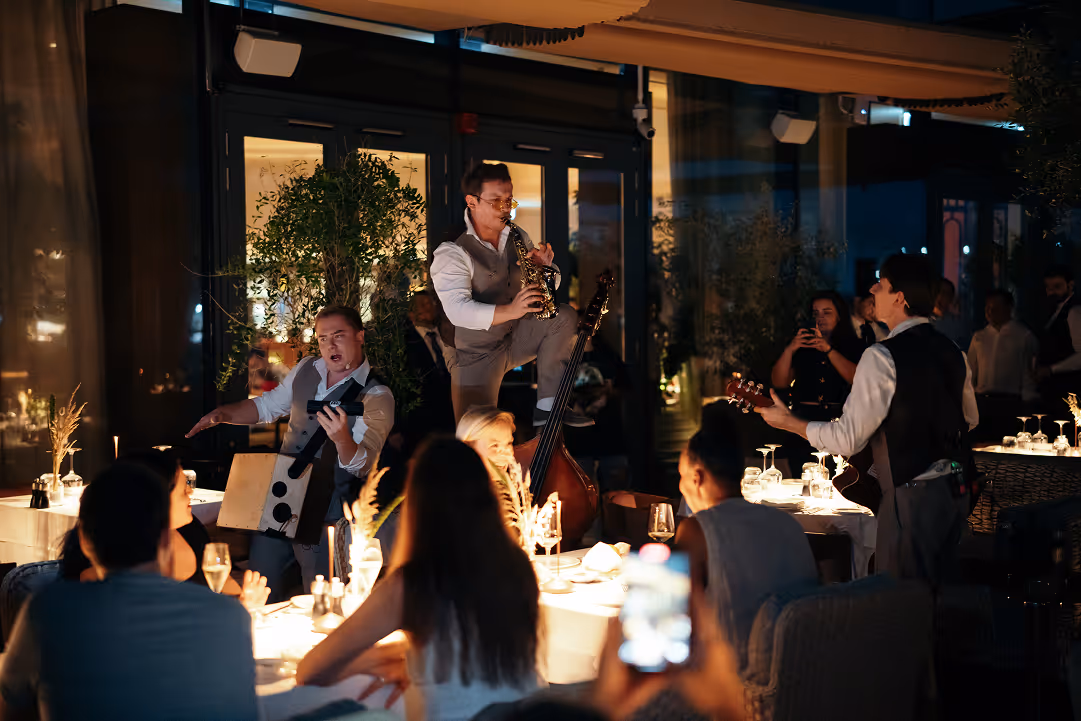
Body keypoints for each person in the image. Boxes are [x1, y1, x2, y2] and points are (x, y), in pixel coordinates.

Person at [758, 254, 978, 585]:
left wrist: (788, 422)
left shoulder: (881, 355)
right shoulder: (953, 350)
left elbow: (847, 440)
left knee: (901, 603)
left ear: (900, 298)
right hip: (956, 492)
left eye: (882, 284)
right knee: (940, 598)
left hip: (910, 496)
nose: (873, 289)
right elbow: (969, 420)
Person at [296, 437, 543, 720]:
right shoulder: (518, 566)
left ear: (418, 502)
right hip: (527, 711)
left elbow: (309, 670)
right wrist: (409, 655)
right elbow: (469, 639)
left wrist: (373, 660)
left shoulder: (413, 584)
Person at [0, 463, 258, 721]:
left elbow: (12, 709)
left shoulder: (49, 610)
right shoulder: (231, 616)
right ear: (167, 539)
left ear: (83, 538)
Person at [187, 305, 394, 602]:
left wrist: (343, 439)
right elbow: (267, 406)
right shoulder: (307, 368)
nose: (330, 345)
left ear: (360, 336)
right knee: (260, 585)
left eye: (339, 336)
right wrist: (222, 414)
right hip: (281, 498)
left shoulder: (376, 395)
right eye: (323, 338)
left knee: (321, 595)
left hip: (328, 512)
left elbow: (363, 465)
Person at [430, 162, 591, 427]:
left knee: (563, 316)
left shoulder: (516, 235)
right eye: (496, 201)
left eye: (508, 200)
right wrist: (512, 310)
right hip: (474, 352)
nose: (506, 209)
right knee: (476, 435)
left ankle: (548, 409)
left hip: (514, 337)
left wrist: (546, 270)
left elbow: (543, 291)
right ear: (472, 201)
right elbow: (457, 310)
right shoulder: (452, 251)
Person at [673, 423, 818, 671]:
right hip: (798, 673)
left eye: (681, 477)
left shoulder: (698, 530)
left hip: (735, 685)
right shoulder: (787, 523)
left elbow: (672, 615)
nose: (680, 486)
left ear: (697, 479)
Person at [57, 448, 269, 608]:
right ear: (156, 498)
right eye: (182, 488)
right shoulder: (111, 553)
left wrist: (244, 600)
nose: (190, 492)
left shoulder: (189, 528)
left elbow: (226, 589)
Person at [771, 290, 864, 423]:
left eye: (827, 313)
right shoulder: (803, 345)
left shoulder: (853, 345)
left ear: (839, 315)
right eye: (816, 314)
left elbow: (857, 378)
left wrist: (828, 350)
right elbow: (779, 382)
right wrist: (790, 349)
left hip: (839, 420)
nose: (820, 318)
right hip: (802, 418)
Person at [967, 289, 1039, 441]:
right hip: (983, 402)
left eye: (996, 308)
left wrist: (1028, 401)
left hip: (1011, 403)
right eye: (988, 308)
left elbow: (1028, 372)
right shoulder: (979, 337)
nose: (991, 312)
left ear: (1009, 308)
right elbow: (971, 371)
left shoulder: (1023, 336)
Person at [1036, 265, 1081, 410]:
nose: (1051, 292)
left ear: (1070, 285)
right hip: (1057, 388)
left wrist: (1051, 369)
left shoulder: (1074, 312)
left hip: (1068, 387)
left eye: (1057, 286)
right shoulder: (1056, 310)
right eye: (1048, 288)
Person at [933, 277, 969, 349]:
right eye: (939, 291)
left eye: (946, 293)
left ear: (951, 298)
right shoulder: (922, 321)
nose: (941, 296)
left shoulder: (957, 324)